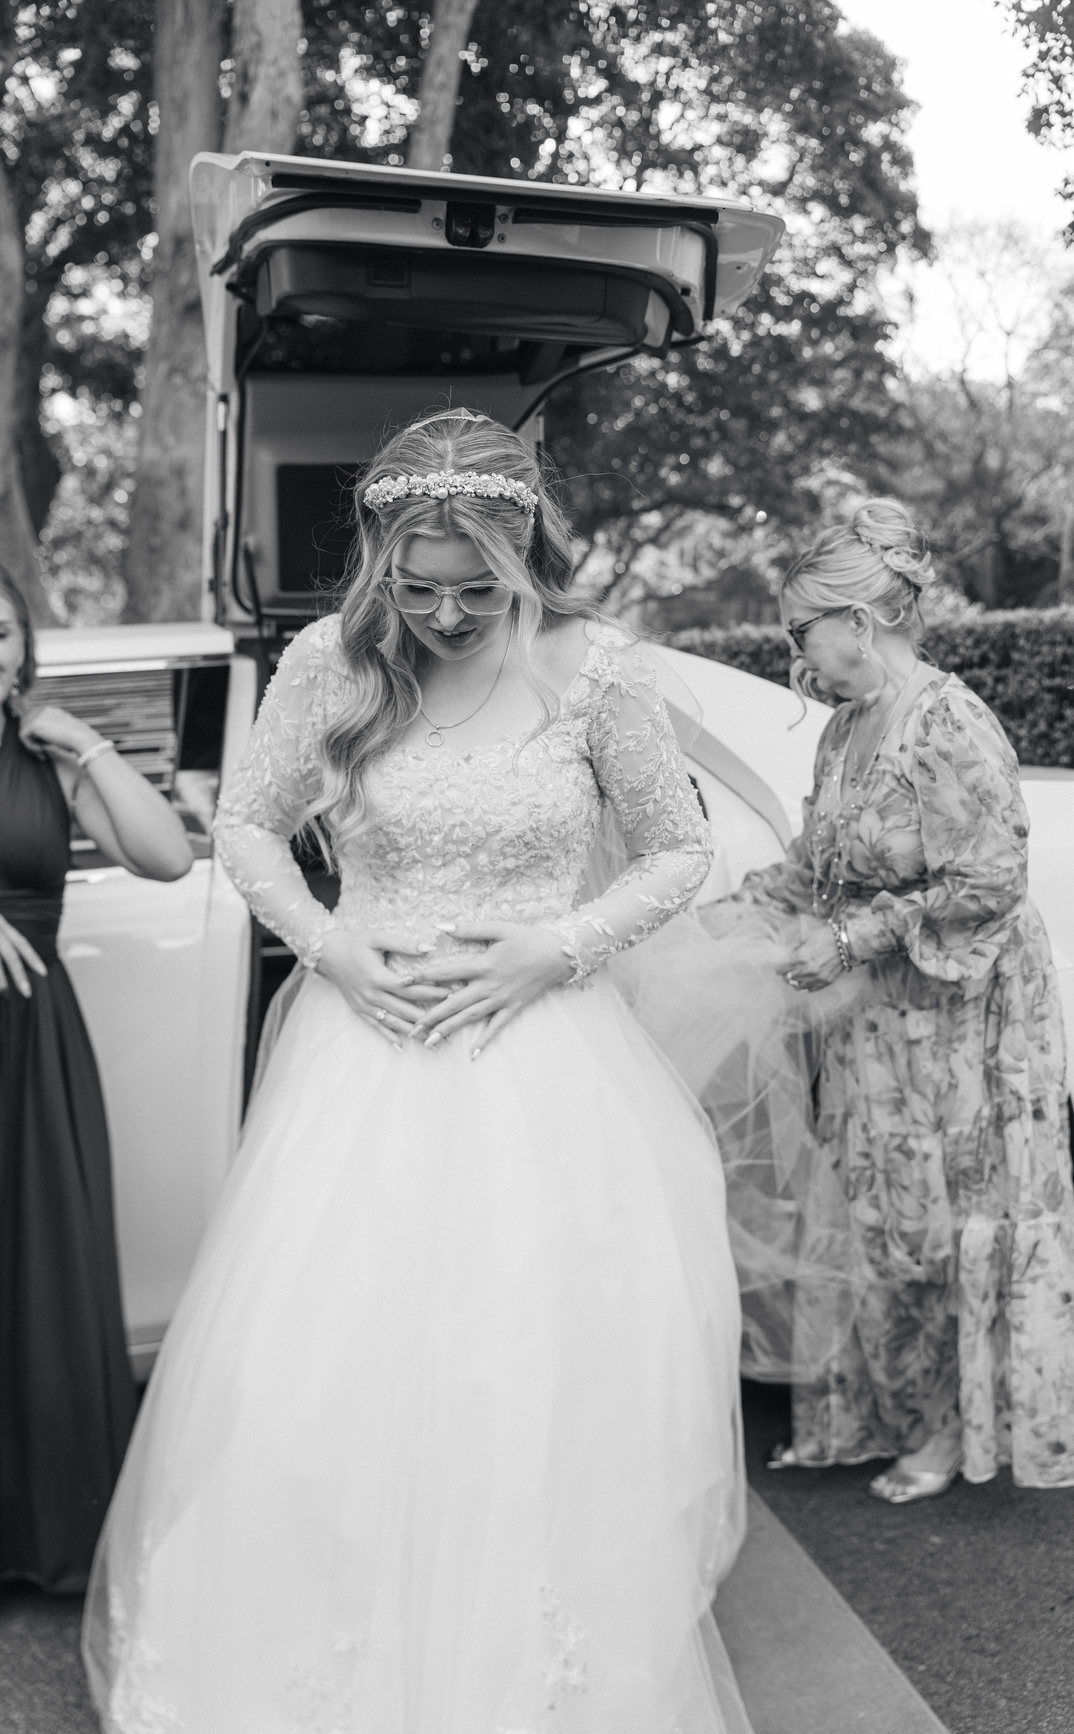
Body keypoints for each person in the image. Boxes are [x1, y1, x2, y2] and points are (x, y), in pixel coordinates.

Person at [82, 410, 753, 1734]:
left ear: (522, 554)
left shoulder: (596, 671)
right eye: (417, 586)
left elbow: (680, 850)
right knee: (328, 1373)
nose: (445, 616)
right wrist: (331, 945)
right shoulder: (329, 663)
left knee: (534, 1369)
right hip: (367, 1061)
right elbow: (249, 828)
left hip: (546, 1063)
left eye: (474, 591)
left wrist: (559, 946)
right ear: (380, 559)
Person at [699, 499, 1074, 1504]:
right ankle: (893, 1409)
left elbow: (989, 880)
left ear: (858, 622)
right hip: (876, 1016)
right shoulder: (844, 730)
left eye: (801, 631)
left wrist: (853, 938)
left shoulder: (948, 721)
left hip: (961, 1016)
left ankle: (949, 1425)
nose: (796, 652)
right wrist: (729, 916)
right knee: (879, 1210)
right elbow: (819, 864)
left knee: (948, 1212)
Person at [0, 547, 193, 1658]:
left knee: (25, 1284)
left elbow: (168, 859)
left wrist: (85, 741)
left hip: (33, 1049)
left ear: (25, 644)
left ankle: (24, 1549)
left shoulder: (49, 755)